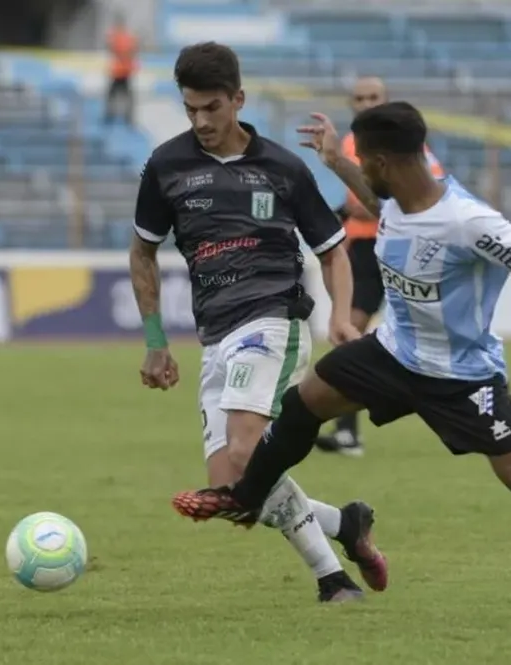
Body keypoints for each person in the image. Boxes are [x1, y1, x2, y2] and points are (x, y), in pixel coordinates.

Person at [171, 102, 511, 630]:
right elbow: (382, 206)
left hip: (462, 378)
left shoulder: (467, 220)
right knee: (303, 402)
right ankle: (244, 499)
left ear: (386, 160)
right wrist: (335, 160)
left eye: (366, 161)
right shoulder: (399, 199)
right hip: (394, 354)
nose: (364, 172)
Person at [129, 41, 387, 603]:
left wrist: (341, 317)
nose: (200, 121)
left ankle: (334, 582)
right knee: (235, 492)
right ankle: (347, 524)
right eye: (190, 109)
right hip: (216, 333)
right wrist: (155, 341)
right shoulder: (167, 166)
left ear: (238, 100)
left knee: (247, 457)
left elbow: (334, 250)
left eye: (212, 108)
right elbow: (142, 253)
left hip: (275, 318)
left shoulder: (282, 168)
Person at [315, 76, 446, 458]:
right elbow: (356, 200)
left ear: (386, 100)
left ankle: (478, 402)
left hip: (403, 247)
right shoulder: (351, 144)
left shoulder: (408, 142)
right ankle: (347, 432)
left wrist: (367, 204)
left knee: (430, 335)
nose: (366, 103)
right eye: (359, 98)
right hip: (363, 247)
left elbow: (429, 186)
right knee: (348, 330)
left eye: (373, 97)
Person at [104, 15, 137, 126]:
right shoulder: (124, 37)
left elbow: (114, 49)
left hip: (122, 71)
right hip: (121, 70)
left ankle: (120, 116)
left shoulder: (119, 37)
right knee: (119, 94)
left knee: (117, 94)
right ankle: (122, 116)